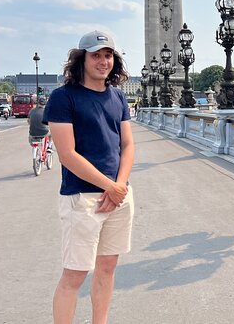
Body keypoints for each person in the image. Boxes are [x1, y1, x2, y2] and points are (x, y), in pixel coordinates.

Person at [45, 30, 134, 324]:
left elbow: (127, 145)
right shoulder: (63, 97)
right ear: (81, 59)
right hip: (82, 197)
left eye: (108, 55)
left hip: (118, 195)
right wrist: (110, 186)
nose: (103, 61)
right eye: (96, 55)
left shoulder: (117, 96)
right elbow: (67, 154)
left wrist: (119, 186)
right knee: (75, 275)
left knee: (107, 267)